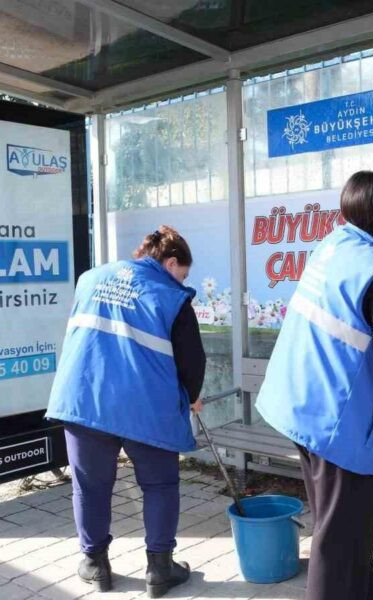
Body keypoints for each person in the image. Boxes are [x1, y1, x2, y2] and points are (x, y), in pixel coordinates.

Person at [255, 171, 373, 600]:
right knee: (340, 533)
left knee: (349, 520)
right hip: (331, 417)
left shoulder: (336, 246)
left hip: (296, 401)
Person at [46, 226, 206, 598]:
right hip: (145, 406)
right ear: (170, 263)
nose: (182, 281)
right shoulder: (171, 296)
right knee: (160, 485)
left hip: (85, 398)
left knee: (90, 485)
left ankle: (95, 565)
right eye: (182, 273)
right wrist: (192, 395)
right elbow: (192, 361)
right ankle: (160, 570)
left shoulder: (90, 279)